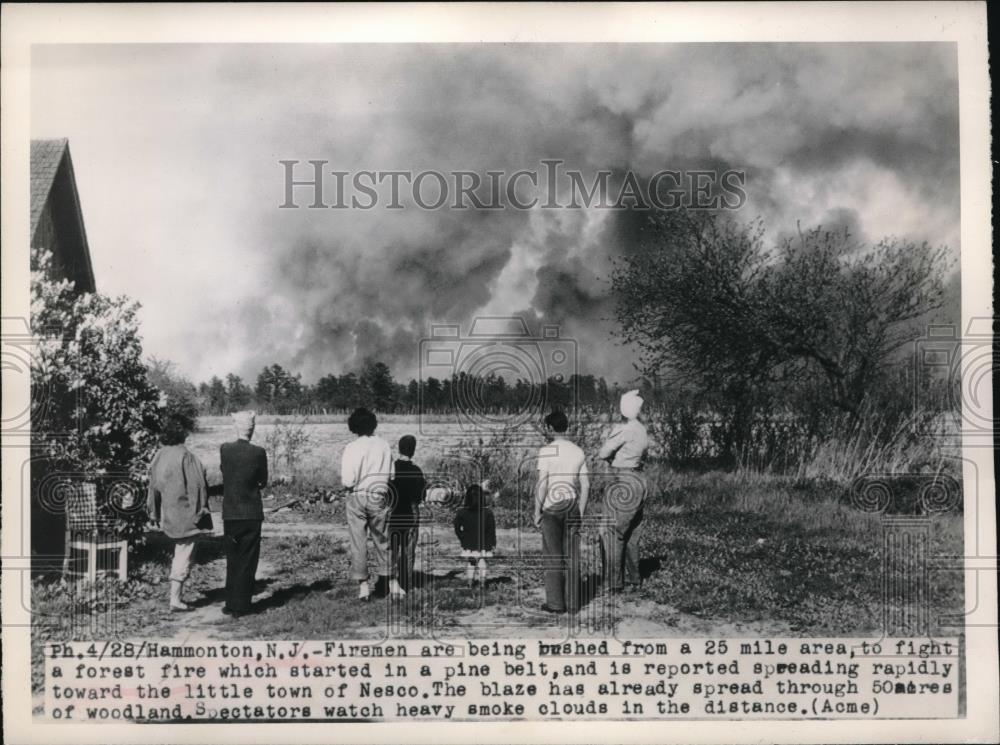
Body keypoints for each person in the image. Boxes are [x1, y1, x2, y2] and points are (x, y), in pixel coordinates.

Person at [146, 413, 213, 612]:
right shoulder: (186, 456)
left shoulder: (159, 455)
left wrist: (154, 513)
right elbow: (198, 486)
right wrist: (201, 511)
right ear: (183, 434)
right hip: (186, 514)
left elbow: (153, 486)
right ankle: (175, 599)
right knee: (184, 554)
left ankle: (176, 595)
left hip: (169, 513)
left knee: (182, 553)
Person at [340, 407, 404, 599]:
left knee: (358, 541)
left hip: (357, 495)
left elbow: (348, 481)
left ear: (353, 425)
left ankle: (364, 586)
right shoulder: (384, 445)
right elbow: (392, 474)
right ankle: (392, 583)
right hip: (379, 494)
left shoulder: (351, 448)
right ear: (373, 424)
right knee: (384, 540)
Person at [534, 410, 589, 614]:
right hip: (572, 505)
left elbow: (542, 484)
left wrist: (536, 511)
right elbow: (586, 484)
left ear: (549, 428)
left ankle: (556, 604)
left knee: (553, 556)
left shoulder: (546, 451)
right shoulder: (578, 451)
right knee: (572, 555)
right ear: (566, 426)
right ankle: (574, 603)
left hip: (552, 507)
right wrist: (580, 511)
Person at [597, 389, 650, 593]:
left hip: (623, 478)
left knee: (613, 531)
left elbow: (603, 453)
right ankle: (635, 579)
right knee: (632, 533)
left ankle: (613, 582)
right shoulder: (642, 430)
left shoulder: (625, 429)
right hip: (639, 478)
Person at [219, 410, 268, 617]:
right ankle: (243, 604)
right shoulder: (259, 452)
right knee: (248, 559)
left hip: (231, 512)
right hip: (251, 512)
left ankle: (231, 603)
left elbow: (225, 472)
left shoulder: (225, 450)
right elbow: (263, 481)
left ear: (236, 427)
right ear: (253, 428)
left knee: (233, 557)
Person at [387, 435, 425, 590]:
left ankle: (391, 581)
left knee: (392, 549)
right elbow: (421, 496)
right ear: (413, 451)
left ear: (399, 448)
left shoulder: (391, 468)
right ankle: (407, 584)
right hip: (411, 511)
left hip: (393, 511)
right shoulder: (417, 471)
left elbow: (386, 491)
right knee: (409, 550)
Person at [453, 483, 497, 585]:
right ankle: (482, 583)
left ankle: (470, 582)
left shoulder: (462, 512)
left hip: (469, 543)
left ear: (467, 497)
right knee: (482, 562)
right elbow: (491, 530)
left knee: (471, 562)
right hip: (484, 543)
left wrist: (462, 537)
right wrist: (492, 543)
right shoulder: (488, 513)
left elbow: (457, 527)